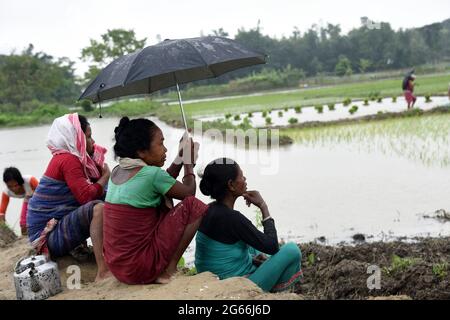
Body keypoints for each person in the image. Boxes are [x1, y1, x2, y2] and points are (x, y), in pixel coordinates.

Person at [103, 117, 208, 285]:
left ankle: (163, 267)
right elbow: (189, 193)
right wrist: (188, 164)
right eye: (160, 144)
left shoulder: (118, 170)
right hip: (139, 269)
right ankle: (169, 269)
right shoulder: (152, 175)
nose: (165, 150)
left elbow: (163, 183)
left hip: (120, 269)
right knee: (194, 206)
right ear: (141, 152)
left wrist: (180, 156)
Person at [195, 158, 303, 293]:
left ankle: (256, 262)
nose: (245, 178)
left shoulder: (208, 209)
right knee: (292, 250)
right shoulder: (233, 218)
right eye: (241, 176)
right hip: (234, 286)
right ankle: (274, 287)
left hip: (213, 276)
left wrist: (252, 259)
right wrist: (263, 207)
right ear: (231, 185)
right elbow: (272, 246)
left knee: (253, 247)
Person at [27, 113, 111, 281]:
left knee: (108, 201)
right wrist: (105, 176)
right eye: (88, 137)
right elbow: (86, 197)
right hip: (45, 237)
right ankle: (103, 271)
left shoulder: (70, 158)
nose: (93, 142)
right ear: (76, 137)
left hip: (53, 230)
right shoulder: (68, 159)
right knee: (99, 209)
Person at [0, 167, 39, 235]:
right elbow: (1, 213)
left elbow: (44, 194)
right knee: (23, 225)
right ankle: (24, 238)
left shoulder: (30, 180)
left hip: (39, 197)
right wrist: (3, 225)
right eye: (10, 186)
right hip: (28, 198)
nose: (14, 188)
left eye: (16, 185)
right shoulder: (6, 192)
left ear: (20, 181)